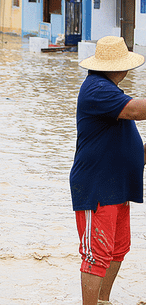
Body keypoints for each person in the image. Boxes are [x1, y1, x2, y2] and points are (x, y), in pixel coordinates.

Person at [69, 36, 145, 305]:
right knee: (96, 254)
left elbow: (124, 144)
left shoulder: (110, 92)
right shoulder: (96, 90)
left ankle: (103, 301)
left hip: (117, 185)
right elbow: (138, 110)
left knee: (117, 249)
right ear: (120, 68)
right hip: (97, 187)